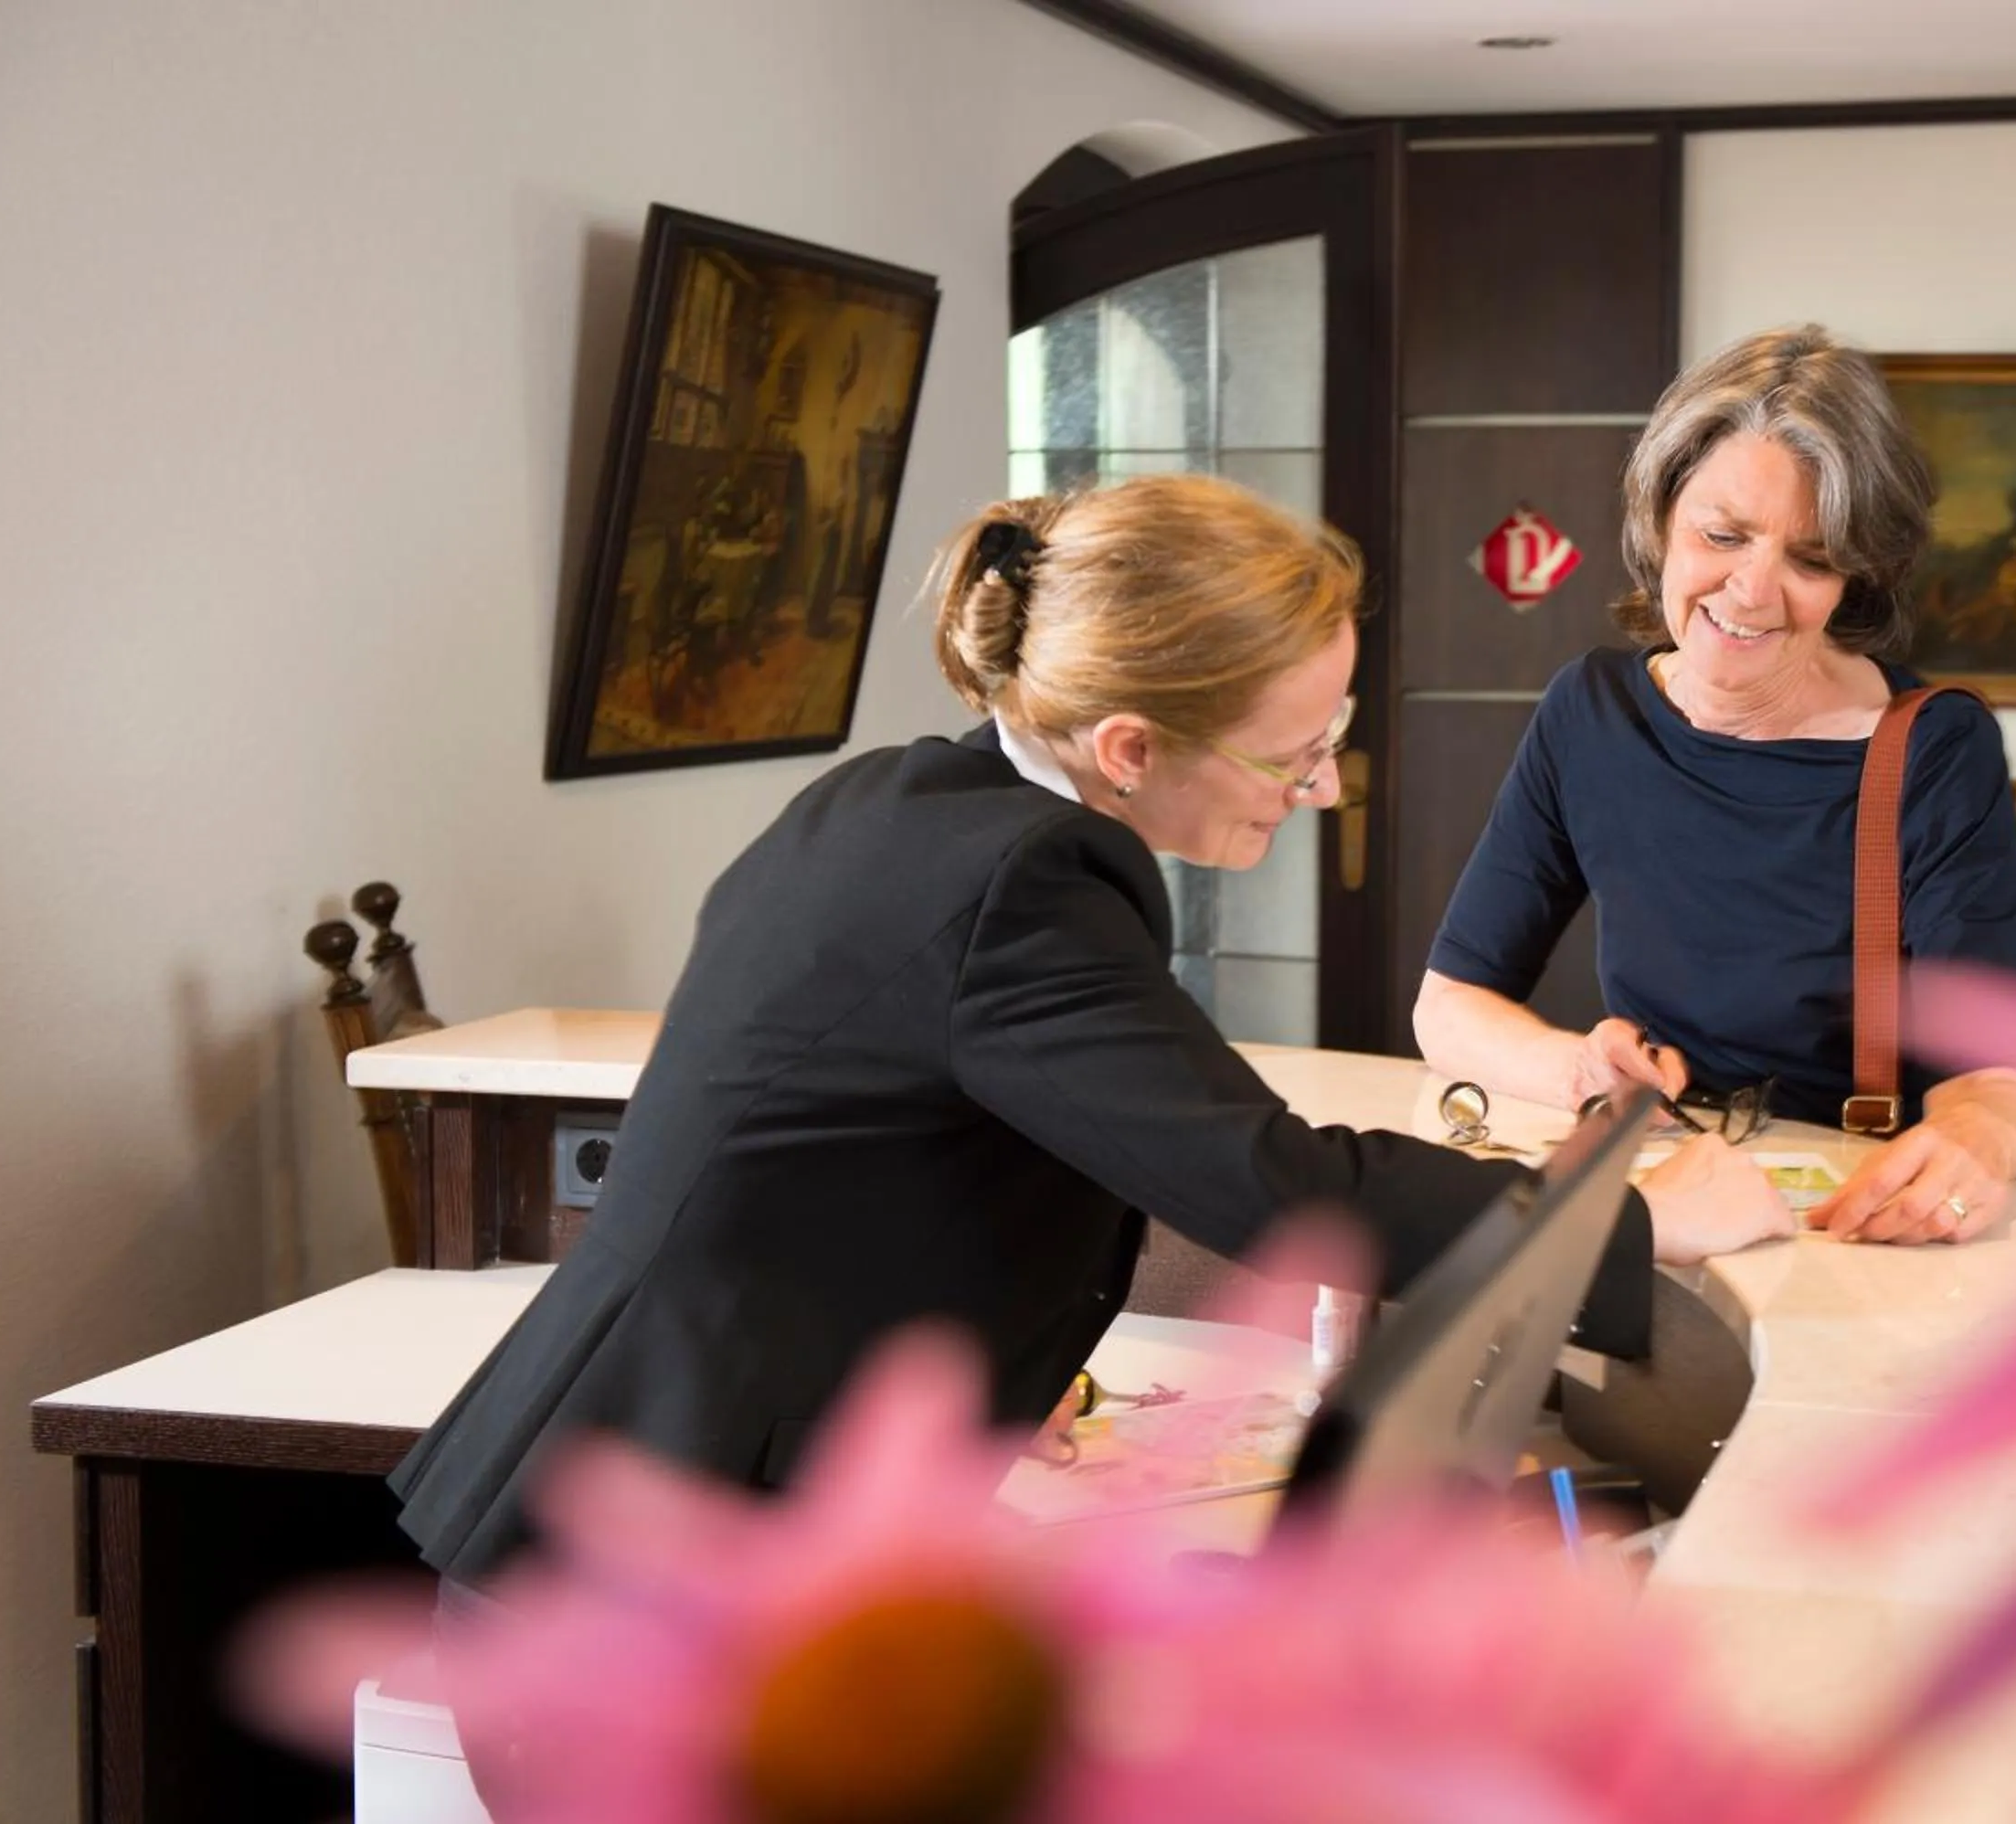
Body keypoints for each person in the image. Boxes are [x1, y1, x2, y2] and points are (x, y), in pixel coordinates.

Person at [391, 472, 1792, 1606]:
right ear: (1128, 747)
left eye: (1334, 733)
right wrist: (1624, 1216)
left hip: (614, 1502)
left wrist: (994, 1378)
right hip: (663, 1581)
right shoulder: (1028, 883)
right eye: (1289, 753)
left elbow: (864, 1162)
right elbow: (1275, 1185)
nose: (1318, 787)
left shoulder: (896, 797)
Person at [1412, 326, 2016, 1247]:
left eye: (1811, 558)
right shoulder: (1589, 713)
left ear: (1856, 577)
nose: (1751, 592)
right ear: (1662, 515)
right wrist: (1581, 1068)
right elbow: (1449, 1007)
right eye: (1722, 534)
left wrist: (1978, 1138)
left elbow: (1991, 1077)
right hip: (1668, 1191)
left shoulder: (1935, 748)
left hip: (1855, 1216)